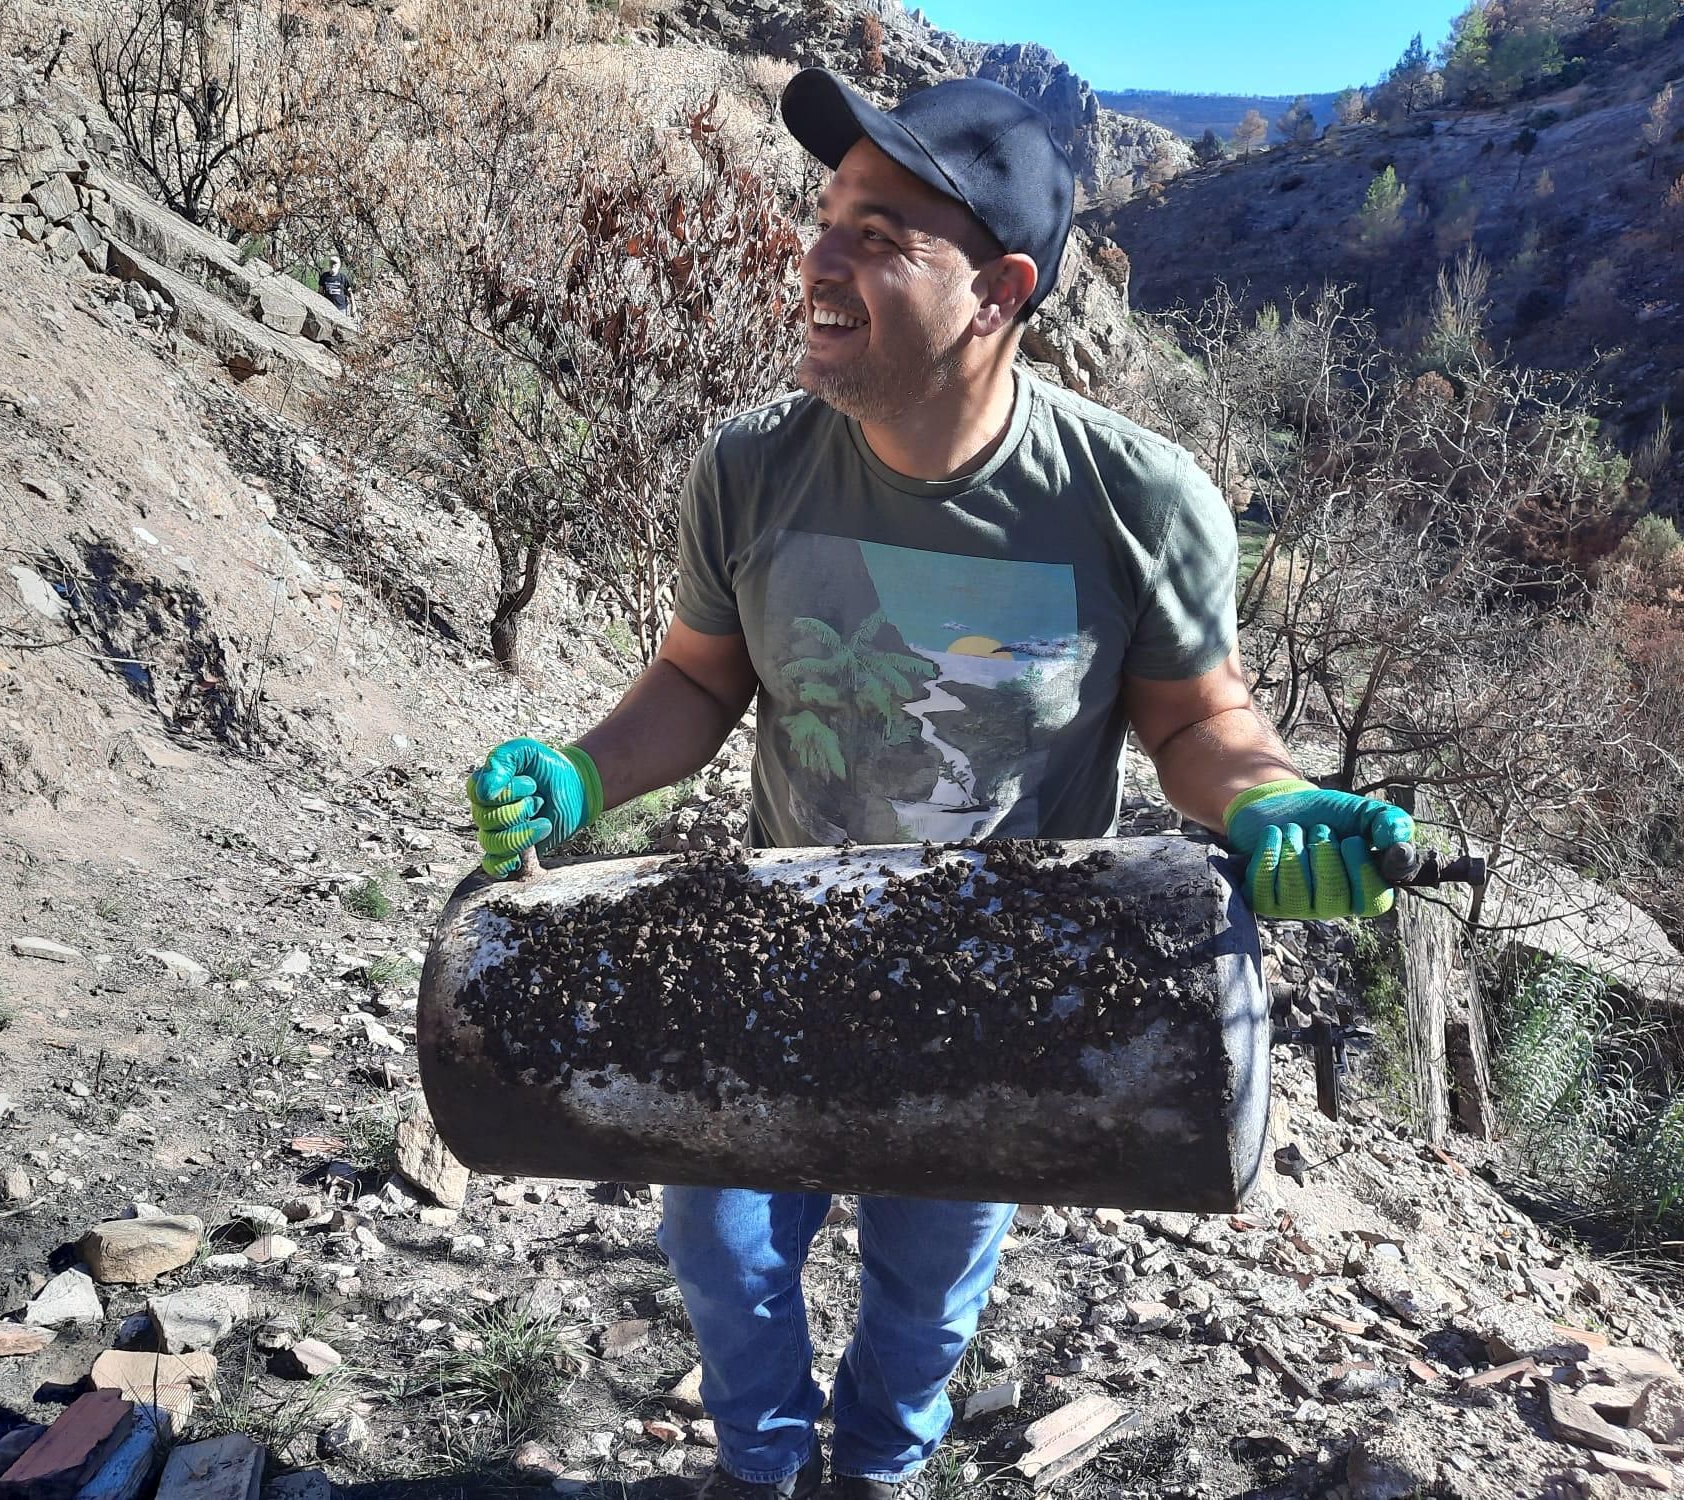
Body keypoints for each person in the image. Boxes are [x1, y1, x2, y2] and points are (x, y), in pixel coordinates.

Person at [464, 69, 1414, 1499]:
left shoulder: (1134, 499)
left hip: (1004, 995)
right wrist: (581, 773)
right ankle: (763, 1470)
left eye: (885, 233)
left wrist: (1267, 801)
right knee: (721, 1252)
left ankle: (884, 1475)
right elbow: (701, 683)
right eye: (828, 216)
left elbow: (1201, 722)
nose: (820, 254)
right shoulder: (750, 470)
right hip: (768, 950)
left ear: (999, 290)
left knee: (927, 1284)